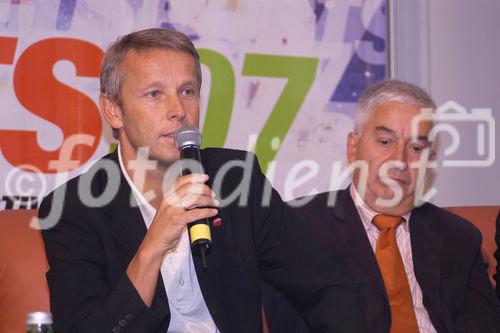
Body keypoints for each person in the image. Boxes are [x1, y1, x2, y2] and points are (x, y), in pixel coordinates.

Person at [38, 28, 365, 332]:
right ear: (113, 110)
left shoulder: (236, 178)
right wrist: (153, 246)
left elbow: (326, 287)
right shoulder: (74, 208)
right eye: (155, 94)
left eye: (188, 91)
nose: (178, 109)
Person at [263, 79, 500, 333]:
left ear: (430, 161)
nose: (399, 161)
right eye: (386, 142)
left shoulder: (459, 237)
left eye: (416, 148)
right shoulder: (298, 226)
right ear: (353, 148)